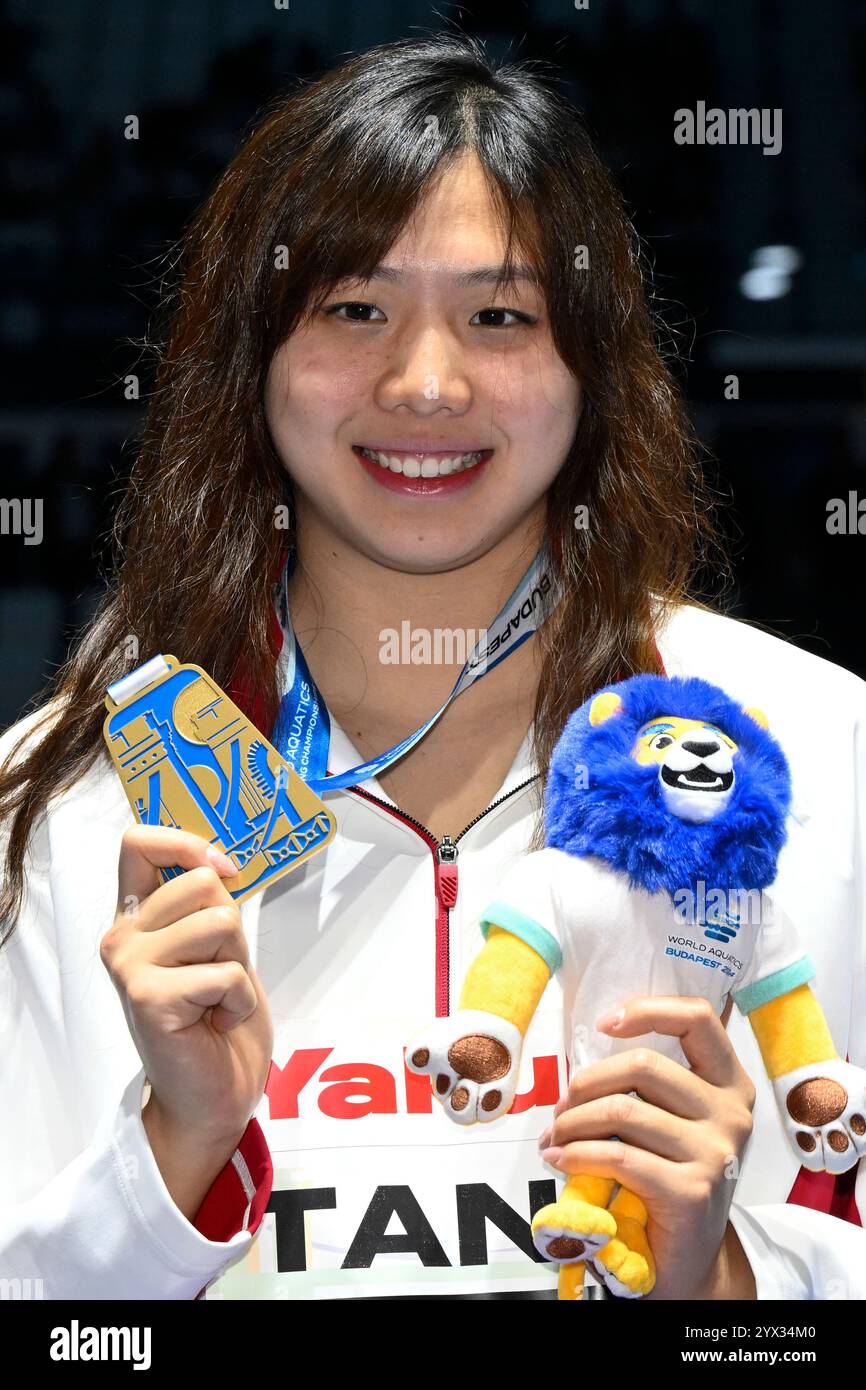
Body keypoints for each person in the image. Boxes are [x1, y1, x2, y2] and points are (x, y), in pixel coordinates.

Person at [1, 33, 864, 1302]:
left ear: (590, 368)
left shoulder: (810, 752)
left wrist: (726, 1291)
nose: (423, 383)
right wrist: (171, 1159)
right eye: (355, 308)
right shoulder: (59, 809)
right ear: (254, 359)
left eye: (499, 316)